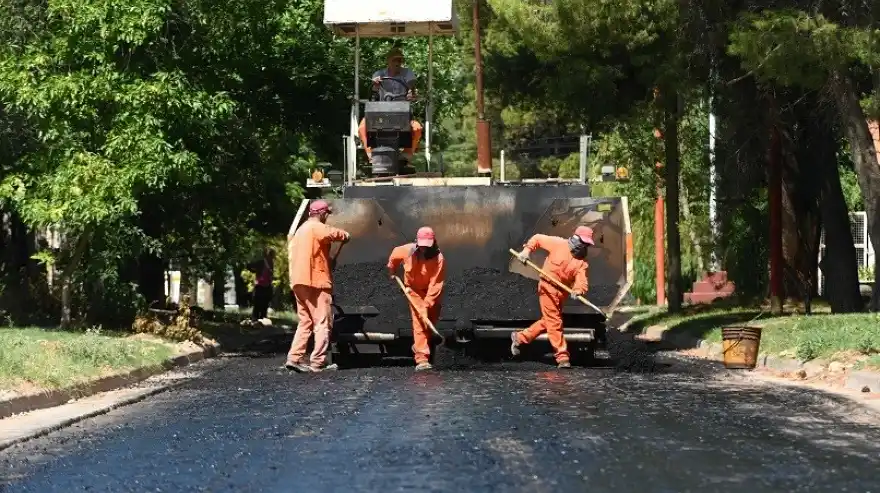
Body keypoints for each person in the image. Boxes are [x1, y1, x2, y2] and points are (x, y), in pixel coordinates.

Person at [510, 226, 594, 369]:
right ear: (575, 238)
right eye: (583, 243)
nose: (584, 246)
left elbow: (582, 280)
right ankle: (562, 357)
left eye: (587, 244)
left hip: (561, 294)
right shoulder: (558, 244)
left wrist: (578, 290)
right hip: (547, 288)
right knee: (554, 322)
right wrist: (526, 251)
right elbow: (537, 238)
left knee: (548, 321)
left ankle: (520, 337)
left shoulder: (581, 262)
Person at [285, 199, 351, 373]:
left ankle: (294, 358)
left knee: (305, 321)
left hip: (298, 281)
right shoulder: (316, 227)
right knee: (322, 322)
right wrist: (345, 235)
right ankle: (318, 362)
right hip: (316, 281)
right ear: (321, 213)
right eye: (326, 214)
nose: (327, 217)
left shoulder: (300, 230)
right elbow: (333, 233)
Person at [387, 226, 446, 371]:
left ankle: (419, 345)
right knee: (420, 321)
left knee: (430, 320)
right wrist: (392, 270)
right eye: (422, 246)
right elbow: (394, 256)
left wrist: (427, 303)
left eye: (427, 246)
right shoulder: (407, 251)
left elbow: (436, 283)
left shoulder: (439, 258)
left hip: (431, 292)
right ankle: (422, 359)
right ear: (416, 242)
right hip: (413, 290)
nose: (424, 249)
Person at [357, 46, 423, 163]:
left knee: (417, 128)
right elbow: (374, 89)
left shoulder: (407, 73)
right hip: (381, 113)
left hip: (401, 113)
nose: (397, 63)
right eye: (394, 60)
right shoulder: (380, 74)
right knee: (362, 127)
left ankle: (405, 156)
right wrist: (376, 84)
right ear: (388, 61)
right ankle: (372, 155)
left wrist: (411, 92)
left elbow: (412, 88)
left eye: (400, 60)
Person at [250, 247, 276, 325]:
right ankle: (255, 319)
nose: (272, 257)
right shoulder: (261, 262)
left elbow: (269, 274)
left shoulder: (271, 263)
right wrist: (255, 271)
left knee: (265, 304)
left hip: (267, 286)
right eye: (271, 255)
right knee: (257, 304)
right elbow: (249, 266)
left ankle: (262, 320)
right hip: (260, 286)